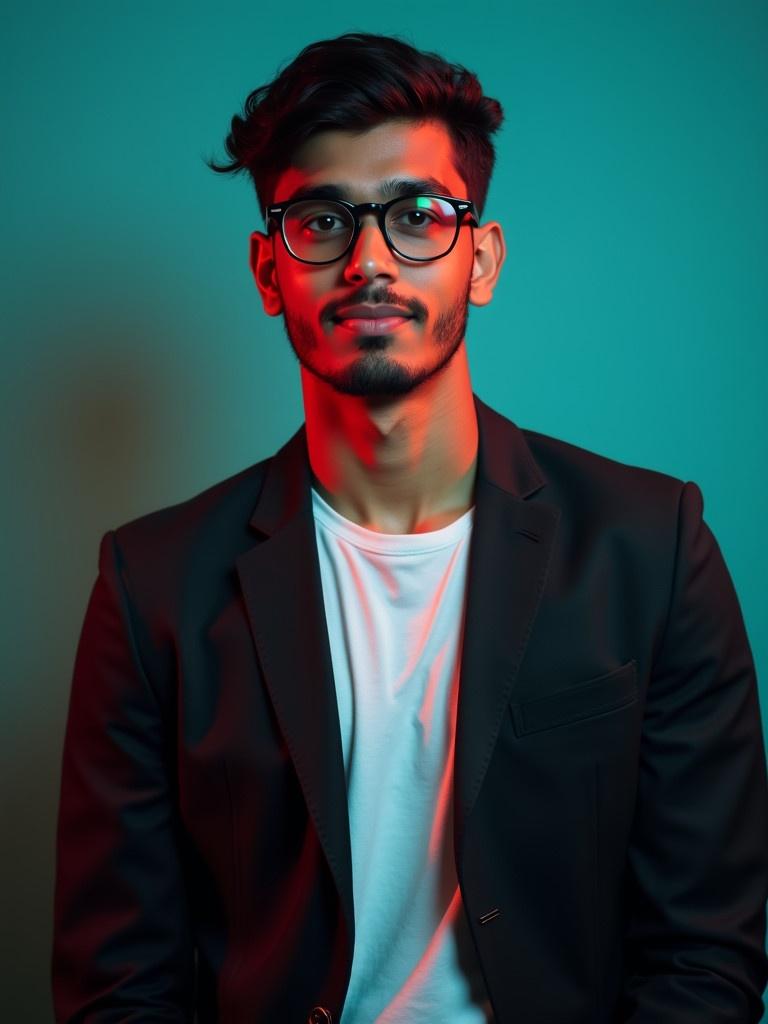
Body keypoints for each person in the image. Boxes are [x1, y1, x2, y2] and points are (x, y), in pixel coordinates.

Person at [51, 31, 768, 1024]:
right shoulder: (154, 585)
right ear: (269, 271)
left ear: (481, 258)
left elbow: (706, 955)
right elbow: (118, 981)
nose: (372, 259)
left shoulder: (653, 548)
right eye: (322, 220)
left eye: (419, 215)